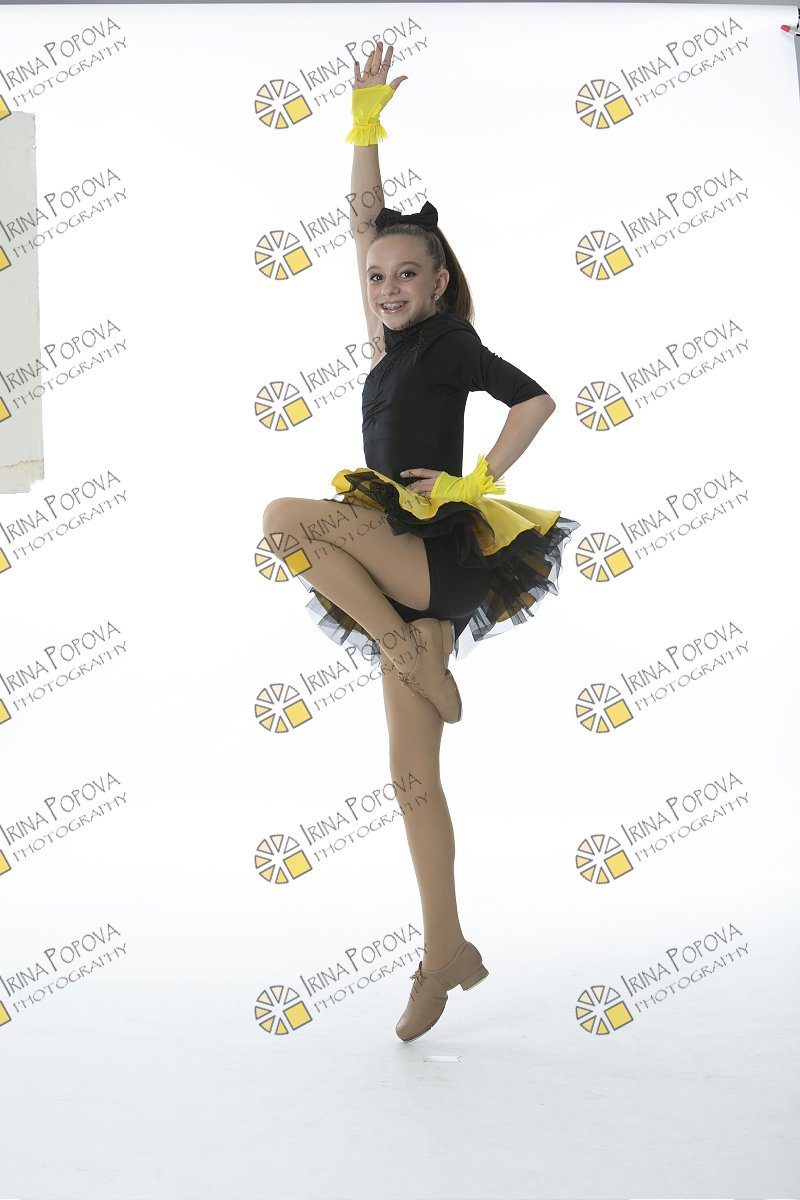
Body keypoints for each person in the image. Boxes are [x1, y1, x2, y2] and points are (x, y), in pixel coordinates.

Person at [262, 41, 579, 1043]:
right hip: (401, 573)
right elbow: (366, 223)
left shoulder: (447, 342)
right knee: (410, 781)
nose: (388, 284)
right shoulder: (389, 349)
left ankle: (403, 649)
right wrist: (363, 124)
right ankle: (444, 951)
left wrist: (476, 481)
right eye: (378, 277)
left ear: (439, 283)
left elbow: (534, 401)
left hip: (431, 554)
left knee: (284, 520)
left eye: (408, 274)